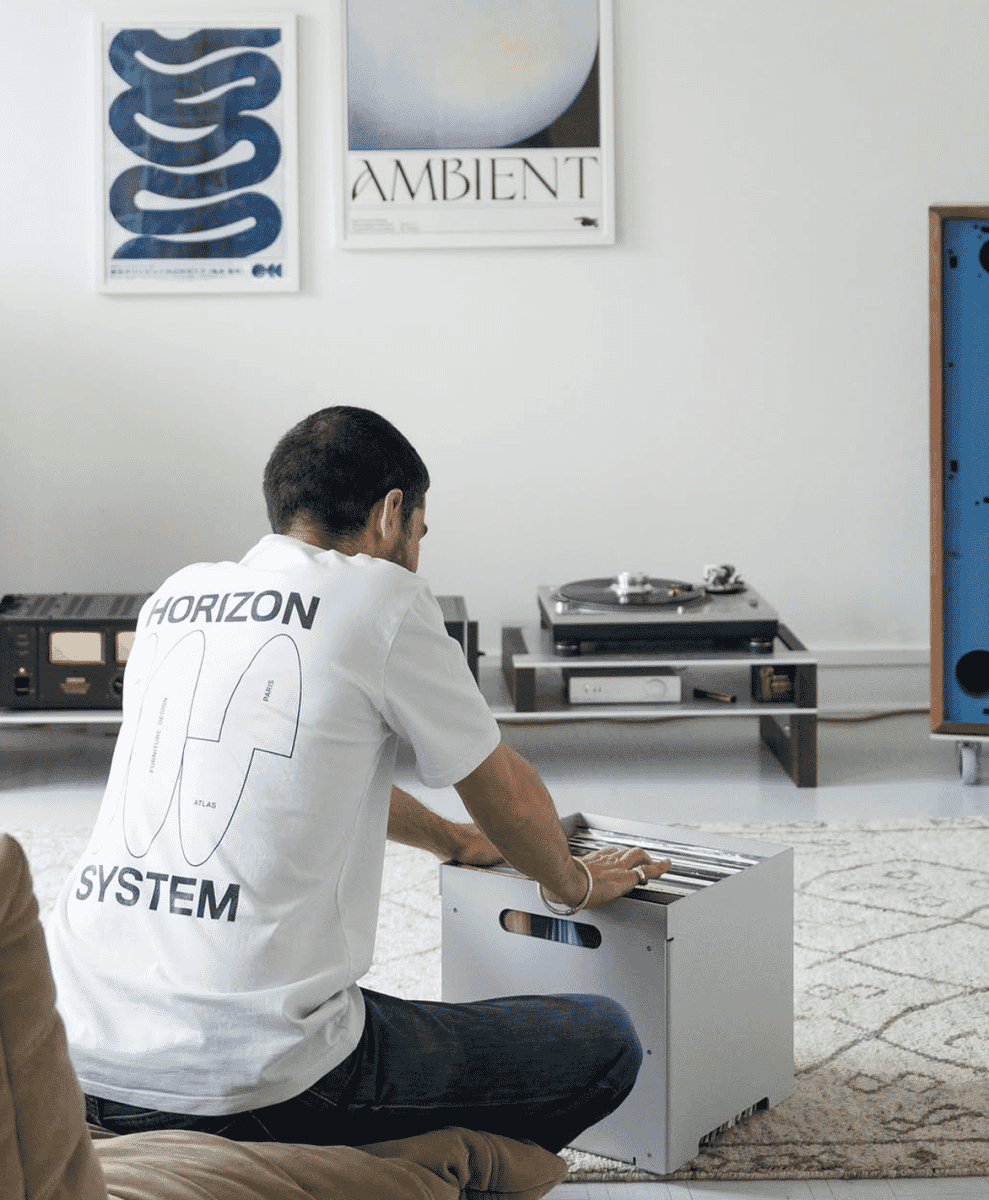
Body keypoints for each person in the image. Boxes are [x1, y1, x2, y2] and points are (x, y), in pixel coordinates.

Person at [45, 407, 671, 1153]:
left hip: (72, 1053)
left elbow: (285, 777)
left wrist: (448, 839)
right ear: (391, 512)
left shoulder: (174, 599)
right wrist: (570, 883)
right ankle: (409, 1169)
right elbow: (502, 787)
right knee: (603, 1039)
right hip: (251, 1078)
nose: (415, 554)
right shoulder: (382, 596)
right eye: (419, 534)